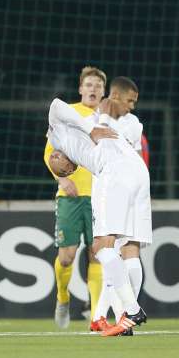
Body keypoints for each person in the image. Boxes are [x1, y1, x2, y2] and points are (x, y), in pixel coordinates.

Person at [47, 97, 149, 337]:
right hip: (137, 172)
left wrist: (92, 128)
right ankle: (118, 316)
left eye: (57, 163)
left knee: (101, 247)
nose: (57, 164)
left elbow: (55, 105)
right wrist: (94, 124)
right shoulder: (102, 123)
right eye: (61, 171)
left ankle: (130, 310)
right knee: (129, 247)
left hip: (113, 172)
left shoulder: (59, 130)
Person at [43, 66, 106, 328]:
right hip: (70, 197)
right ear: (80, 88)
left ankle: (95, 315)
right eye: (88, 85)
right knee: (67, 256)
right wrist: (62, 178)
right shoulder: (67, 113)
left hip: (101, 198)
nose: (93, 89)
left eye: (98, 86)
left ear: (104, 91)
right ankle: (62, 296)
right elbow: (50, 153)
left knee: (97, 254)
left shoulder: (107, 118)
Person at [89, 77, 146, 334]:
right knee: (126, 252)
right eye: (130, 100)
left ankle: (127, 314)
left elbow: (105, 141)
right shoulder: (100, 118)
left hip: (117, 190)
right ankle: (108, 316)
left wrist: (101, 117)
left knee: (110, 248)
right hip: (129, 187)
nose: (132, 106)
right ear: (116, 96)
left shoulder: (130, 123)